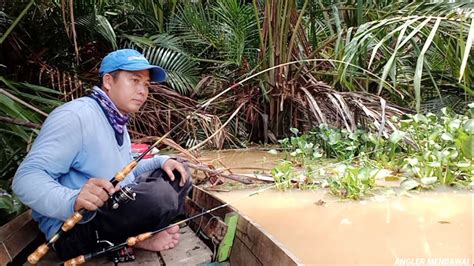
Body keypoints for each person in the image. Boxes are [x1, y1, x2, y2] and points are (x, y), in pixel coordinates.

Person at [12, 49, 192, 260]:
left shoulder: (117, 121)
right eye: (134, 80)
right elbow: (25, 178)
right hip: (73, 230)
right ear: (108, 81)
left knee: (178, 173)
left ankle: (138, 236)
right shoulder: (75, 117)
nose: (143, 90)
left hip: (111, 213)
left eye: (145, 84)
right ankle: (139, 236)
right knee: (159, 198)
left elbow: (126, 172)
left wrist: (163, 161)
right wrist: (73, 199)